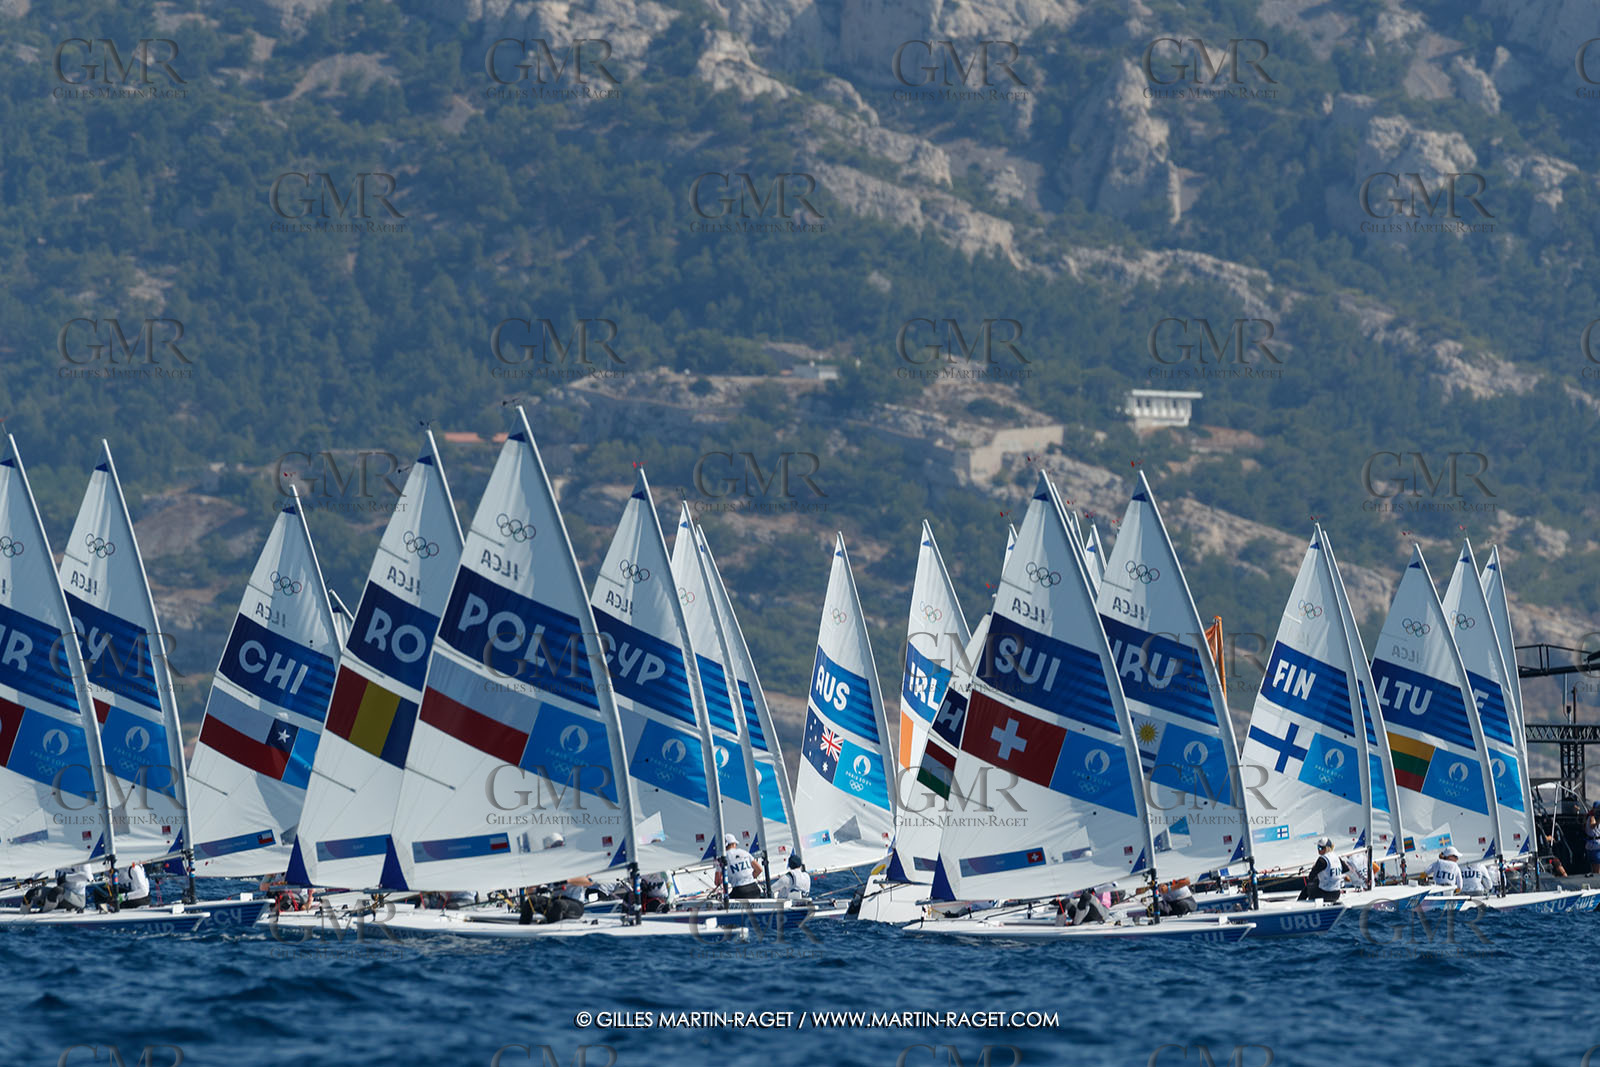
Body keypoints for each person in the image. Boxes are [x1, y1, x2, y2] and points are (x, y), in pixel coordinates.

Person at [1298, 838, 1342, 903]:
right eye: (1318, 847)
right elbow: (1346, 869)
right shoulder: (1337, 857)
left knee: (1308, 887)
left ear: (1326, 848)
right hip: (1336, 894)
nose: (1318, 850)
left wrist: (1314, 868)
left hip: (1325, 894)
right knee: (1315, 884)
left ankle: (1300, 904)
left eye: (1320, 848)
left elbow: (1310, 877)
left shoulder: (1322, 860)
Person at [719, 835, 763, 900]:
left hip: (739, 891)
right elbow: (759, 869)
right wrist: (748, 878)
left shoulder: (723, 858)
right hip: (754, 888)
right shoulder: (744, 852)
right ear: (733, 844)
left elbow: (717, 881)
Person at [1586, 808, 1600, 873]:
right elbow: (1592, 825)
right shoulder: (1592, 818)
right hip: (1595, 846)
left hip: (1592, 845)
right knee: (1596, 868)